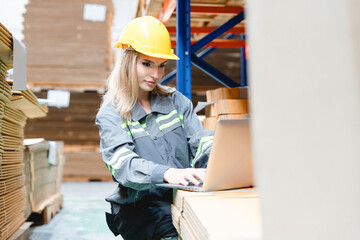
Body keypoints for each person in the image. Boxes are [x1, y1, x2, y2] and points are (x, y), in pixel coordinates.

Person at [96, 16, 214, 240]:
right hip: (141, 207)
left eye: (161, 66)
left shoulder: (176, 101)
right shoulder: (111, 114)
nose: (156, 74)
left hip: (181, 195)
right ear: (128, 61)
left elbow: (200, 141)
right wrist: (167, 173)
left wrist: (216, 160)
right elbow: (123, 165)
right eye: (147, 64)